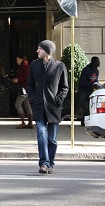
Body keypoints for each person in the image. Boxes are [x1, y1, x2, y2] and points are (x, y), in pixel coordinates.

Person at [26, 40, 68, 174]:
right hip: (39, 106)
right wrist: (33, 98)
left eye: (40, 49)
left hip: (54, 107)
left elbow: (64, 87)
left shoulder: (60, 66)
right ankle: (43, 163)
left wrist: (58, 100)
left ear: (47, 51)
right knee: (41, 134)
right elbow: (29, 84)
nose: (37, 51)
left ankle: (50, 164)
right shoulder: (34, 65)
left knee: (52, 139)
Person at [77, 57, 101, 125]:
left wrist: (97, 85)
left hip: (90, 90)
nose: (99, 63)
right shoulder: (86, 70)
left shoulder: (96, 71)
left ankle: (84, 121)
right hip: (83, 90)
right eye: (98, 61)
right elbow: (82, 81)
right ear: (94, 62)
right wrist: (91, 84)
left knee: (90, 106)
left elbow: (96, 80)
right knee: (80, 106)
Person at [12, 54, 33, 129]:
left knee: (17, 104)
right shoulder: (25, 65)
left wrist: (18, 80)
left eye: (17, 59)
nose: (16, 61)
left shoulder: (24, 66)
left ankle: (23, 122)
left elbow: (26, 77)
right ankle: (30, 123)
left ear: (21, 59)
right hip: (27, 88)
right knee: (27, 105)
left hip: (24, 88)